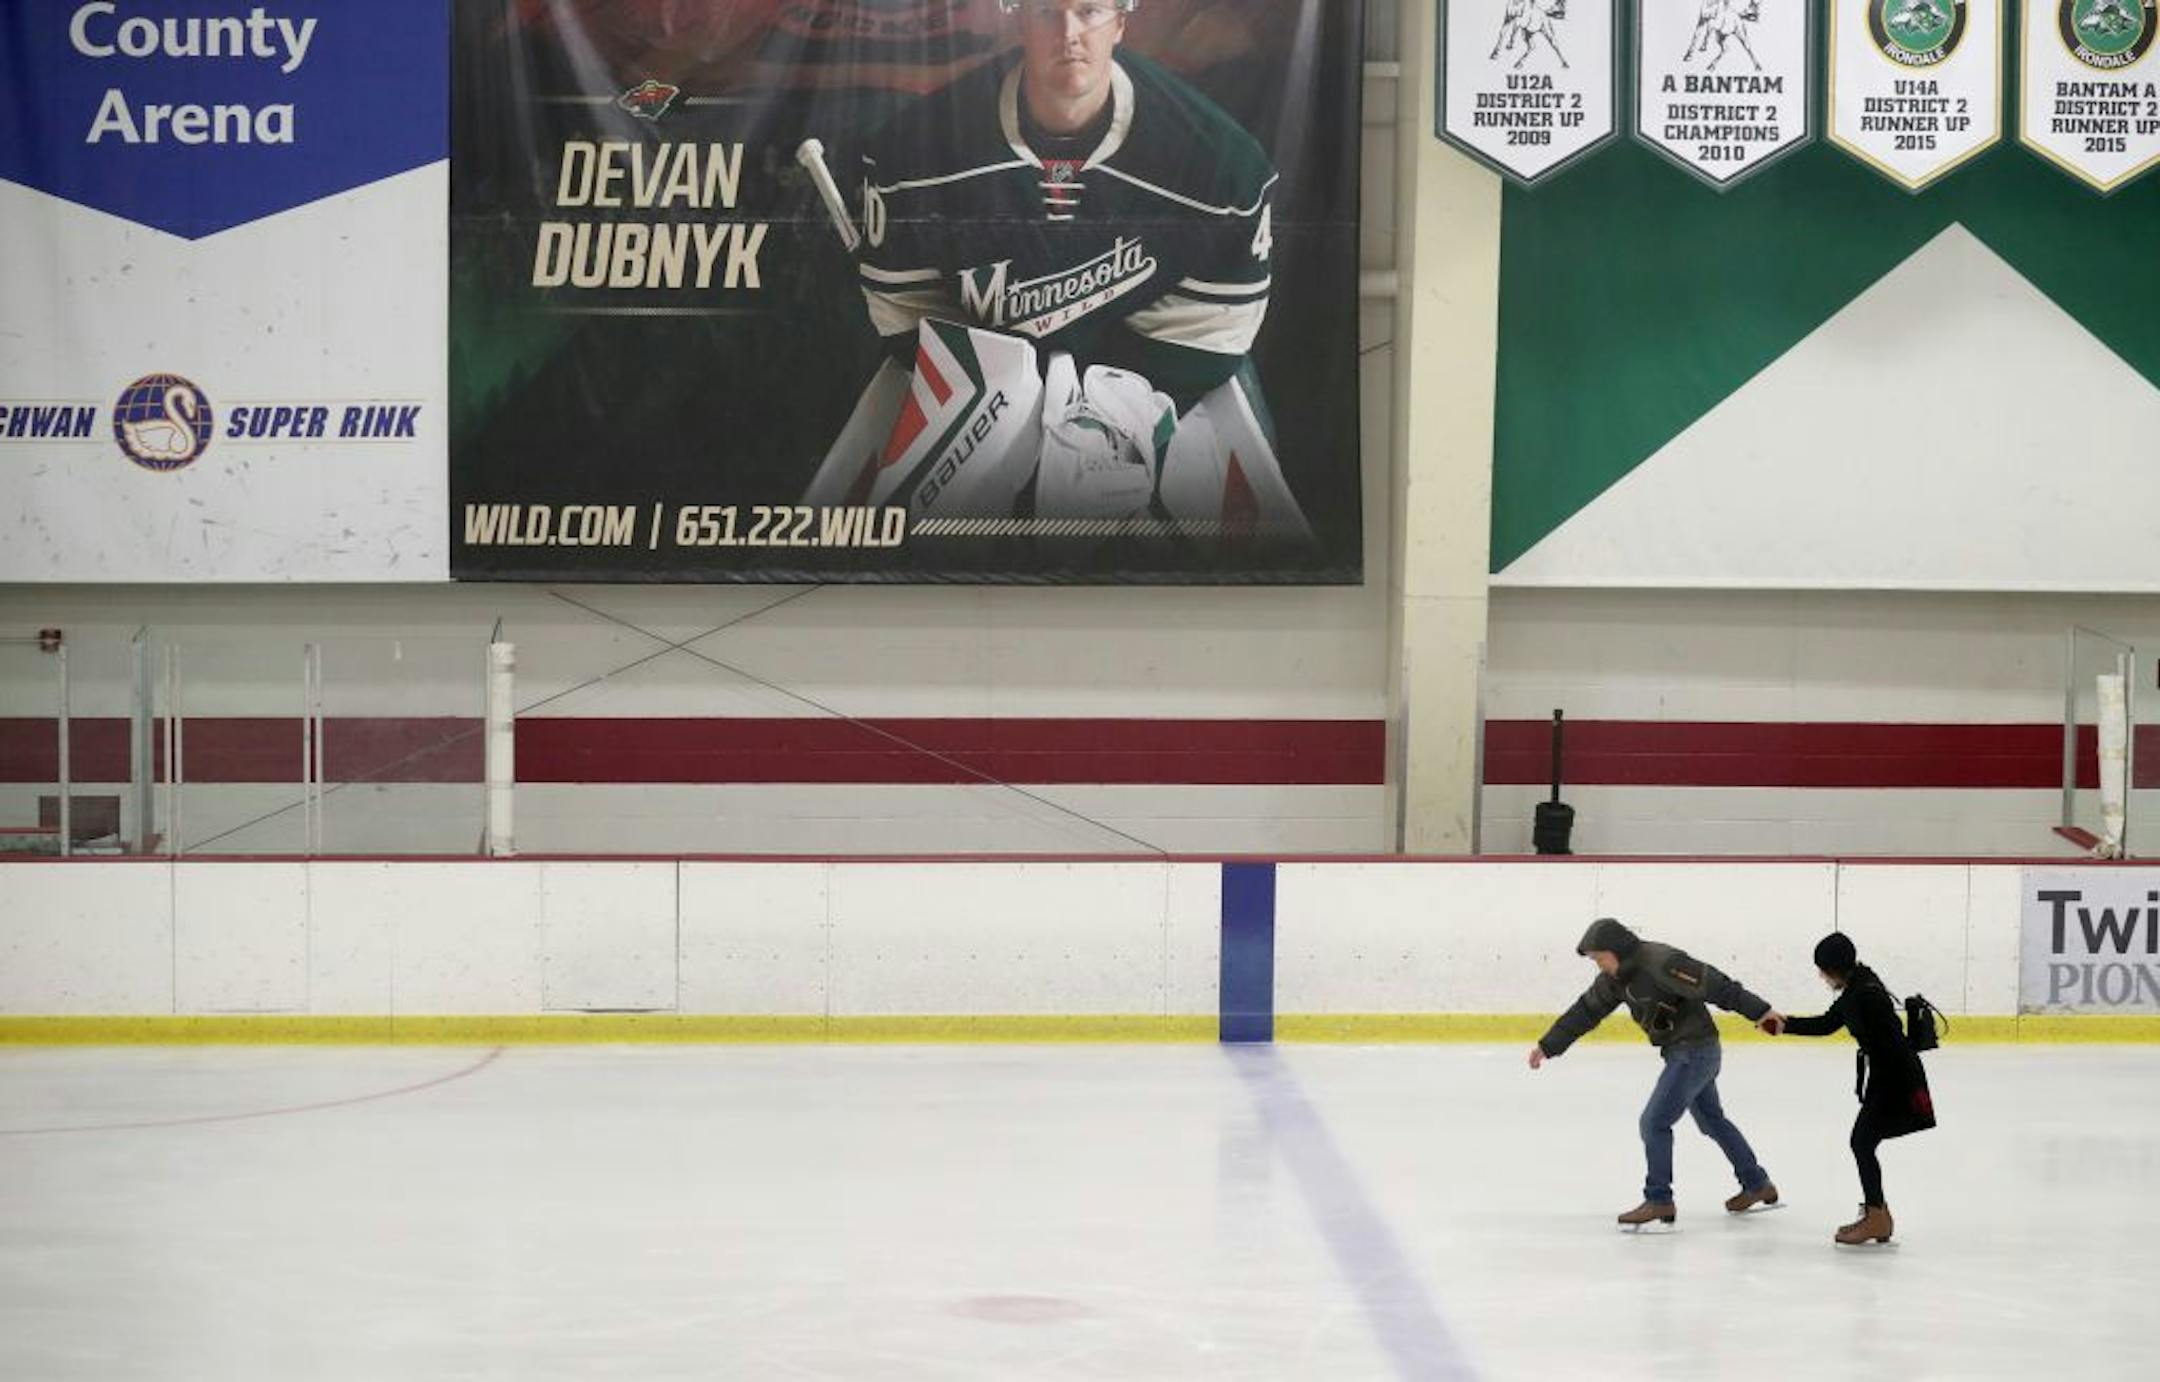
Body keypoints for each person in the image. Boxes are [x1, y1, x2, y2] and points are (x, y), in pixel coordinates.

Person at [853, 0, 1277, 411]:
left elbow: (1213, 327)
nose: (1069, 34)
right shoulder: (912, 154)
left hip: (1149, 392)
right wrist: (992, 395)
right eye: (1046, 12)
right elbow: (906, 313)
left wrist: (1118, 408)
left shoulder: (1219, 163)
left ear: (1120, 23)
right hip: (984, 396)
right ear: (1019, 22)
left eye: (1089, 11)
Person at [1528, 917, 1785, 1229]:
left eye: (1599, 958)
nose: (1598, 965)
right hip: (1683, 1052)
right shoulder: (1615, 978)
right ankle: (1757, 1184)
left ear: (1616, 949)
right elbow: (1587, 1010)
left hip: (1695, 1051)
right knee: (1711, 1120)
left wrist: (1760, 1012)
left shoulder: (1660, 961)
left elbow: (1717, 985)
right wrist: (1548, 1045)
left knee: (1654, 1122)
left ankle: (1659, 1199)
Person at [1766, 932, 1935, 1246]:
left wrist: (1887, 1090)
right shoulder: (1860, 985)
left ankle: (1877, 1217)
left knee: (1862, 1141)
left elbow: (1884, 1039)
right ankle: (1877, 1213)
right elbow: (1829, 1023)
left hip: (1894, 1077)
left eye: (1822, 970)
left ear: (1833, 969)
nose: (1821, 976)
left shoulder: (1863, 995)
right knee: (1863, 1141)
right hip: (1889, 1075)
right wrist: (1784, 1025)